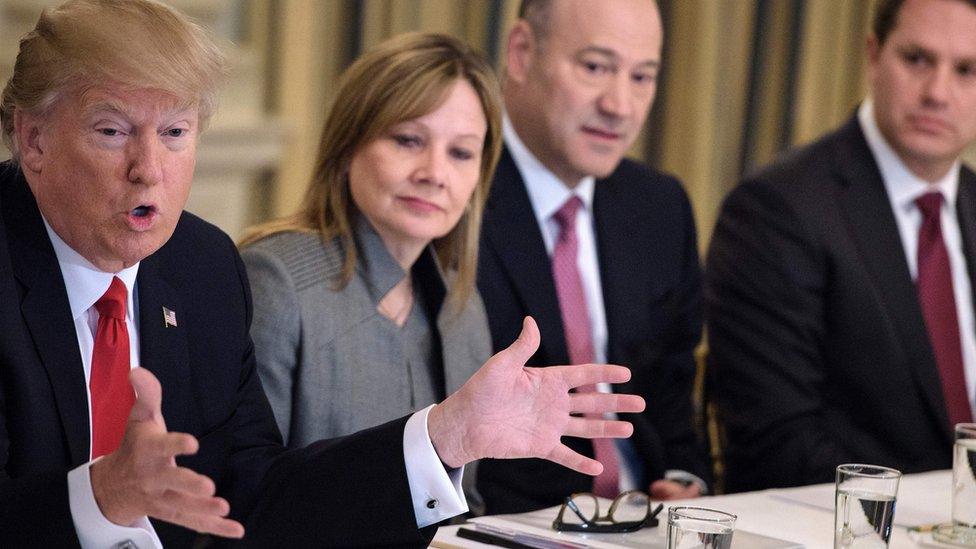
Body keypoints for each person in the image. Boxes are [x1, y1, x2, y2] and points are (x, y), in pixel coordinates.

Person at [0, 0, 646, 546]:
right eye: (112, 131)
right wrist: (101, 496)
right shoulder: (275, 279)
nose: (148, 168)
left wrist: (445, 434)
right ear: (32, 139)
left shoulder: (201, 268)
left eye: (174, 131)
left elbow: (258, 497)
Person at [707, 0, 976, 492]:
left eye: (967, 70)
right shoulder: (777, 210)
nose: (938, 93)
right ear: (873, 55)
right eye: (916, 59)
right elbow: (778, 442)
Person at [476, 0, 710, 514]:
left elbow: (673, 396)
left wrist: (683, 479)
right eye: (595, 67)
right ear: (521, 53)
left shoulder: (660, 206)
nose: (620, 105)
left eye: (642, 76)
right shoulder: (455, 196)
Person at [240, 33, 495, 455]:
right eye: (408, 140)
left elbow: (466, 498)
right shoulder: (273, 280)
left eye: (461, 153)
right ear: (346, 147)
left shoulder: (463, 307)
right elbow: (250, 487)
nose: (435, 173)